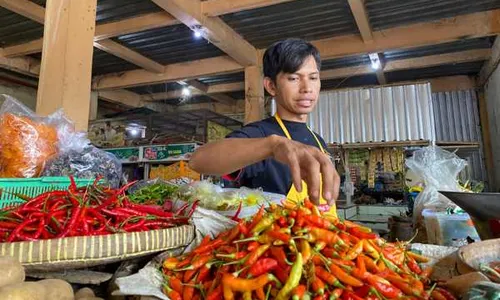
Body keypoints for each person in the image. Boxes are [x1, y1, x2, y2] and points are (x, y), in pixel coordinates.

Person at [189, 38, 340, 208]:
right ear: (271, 86)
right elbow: (198, 160)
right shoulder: (260, 134)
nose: (307, 88)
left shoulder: (319, 141)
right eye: (293, 78)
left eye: (313, 78)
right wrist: (272, 146)